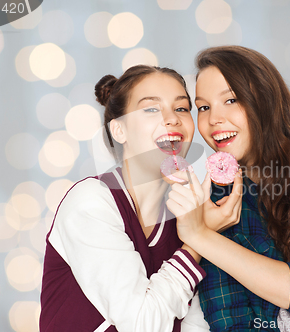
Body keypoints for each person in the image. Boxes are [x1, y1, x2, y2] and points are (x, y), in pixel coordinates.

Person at [166, 46, 290, 331]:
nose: (213, 119)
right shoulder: (219, 206)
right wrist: (202, 230)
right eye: (203, 107)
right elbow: (230, 323)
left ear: (266, 101)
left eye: (231, 99)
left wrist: (199, 234)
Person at [40, 65, 210, 332]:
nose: (172, 118)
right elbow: (141, 324)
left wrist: (199, 230)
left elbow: (196, 325)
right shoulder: (91, 203)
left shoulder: (187, 215)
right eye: (151, 109)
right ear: (119, 131)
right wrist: (198, 242)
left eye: (181, 108)